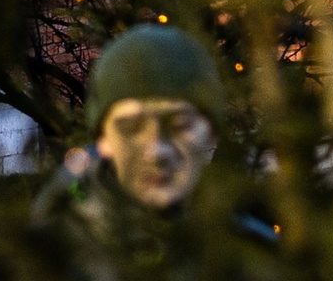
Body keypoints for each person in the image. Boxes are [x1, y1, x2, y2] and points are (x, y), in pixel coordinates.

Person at [74, 23, 230, 216]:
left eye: (180, 126)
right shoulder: (55, 232)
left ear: (211, 133)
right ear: (103, 140)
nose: (157, 151)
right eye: (131, 128)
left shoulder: (248, 230)